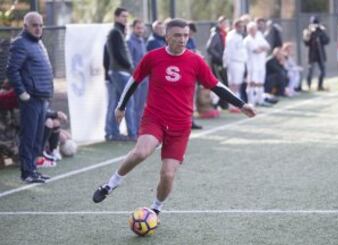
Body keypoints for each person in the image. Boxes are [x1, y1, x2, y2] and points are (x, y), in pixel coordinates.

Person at [92, 19, 256, 219]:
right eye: (178, 35)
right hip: (155, 118)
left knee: (168, 174)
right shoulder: (153, 57)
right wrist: (121, 106)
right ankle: (111, 184)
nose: (182, 39)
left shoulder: (195, 61)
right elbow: (134, 81)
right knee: (141, 152)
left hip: (181, 126)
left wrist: (241, 104)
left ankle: (156, 208)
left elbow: (215, 85)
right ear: (167, 37)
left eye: (186, 35)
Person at [6, 12, 53, 183]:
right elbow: (11, 70)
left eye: (40, 25)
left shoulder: (38, 43)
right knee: (29, 136)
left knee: (37, 137)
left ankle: (33, 170)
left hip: (41, 97)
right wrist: (22, 92)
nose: (38, 28)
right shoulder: (20, 43)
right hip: (30, 99)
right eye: (34, 25)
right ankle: (26, 173)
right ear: (25, 26)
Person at [105, 7, 136, 141]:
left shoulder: (117, 32)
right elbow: (116, 55)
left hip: (118, 72)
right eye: (123, 16)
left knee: (116, 104)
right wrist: (130, 67)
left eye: (126, 16)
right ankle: (132, 133)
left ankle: (112, 132)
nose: (125, 19)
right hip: (120, 72)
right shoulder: (115, 32)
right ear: (116, 17)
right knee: (128, 103)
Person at [127, 19, 148, 137]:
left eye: (142, 28)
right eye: (138, 28)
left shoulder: (142, 41)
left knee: (141, 106)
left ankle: (140, 129)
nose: (140, 30)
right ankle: (134, 131)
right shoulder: (130, 42)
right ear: (133, 28)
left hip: (145, 78)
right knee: (134, 106)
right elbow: (130, 62)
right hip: (137, 79)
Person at [244, 21, 271, 106]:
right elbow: (256, 50)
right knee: (252, 83)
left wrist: (262, 48)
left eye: (255, 29)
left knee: (260, 83)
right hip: (252, 65)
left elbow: (267, 46)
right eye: (251, 29)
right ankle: (251, 102)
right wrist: (262, 48)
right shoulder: (247, 40)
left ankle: (260, 100)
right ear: (248, 30)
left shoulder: (259, 35)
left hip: (261, 64)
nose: (254, 31)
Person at [223, 18, 247, 112]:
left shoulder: (239, 36)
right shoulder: (231, 36)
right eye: (240, 26)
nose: (242, 28)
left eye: (243, 26)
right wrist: (227, 63)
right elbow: (229, 51)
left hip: (240, 62)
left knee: (238, 84)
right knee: (234, 85)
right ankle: (233, 105)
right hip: (234, 63)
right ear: (235, 26)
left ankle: (236, 104)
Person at [206, 16, 229, 110]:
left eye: (226, 23)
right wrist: (219, 57)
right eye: (223, 23)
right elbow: (209, 48)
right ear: (219, 23)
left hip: (222, 62)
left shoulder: (223, 34)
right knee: (218, 83)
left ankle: (222, 103)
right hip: (216, 62)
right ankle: (216, 104)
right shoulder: (215, 34)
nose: (225, 25)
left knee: (224, 83)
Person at [303, 16, 330, 91]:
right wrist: (310, 33)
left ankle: (320, 85)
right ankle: (308, 85)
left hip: (320, 53)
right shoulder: (308, 31)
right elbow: (306, 43)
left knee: (323, 70)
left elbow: (327, 41)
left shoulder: (321, 31)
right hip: (312, 54)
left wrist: (322, 32)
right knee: (310, 70)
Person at [186, 21, 203, 129]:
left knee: (192, 98)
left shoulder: (191, 40)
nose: (191, 35)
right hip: (184, 72)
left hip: (192, 72)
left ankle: (191, 120)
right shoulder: (181, 40)